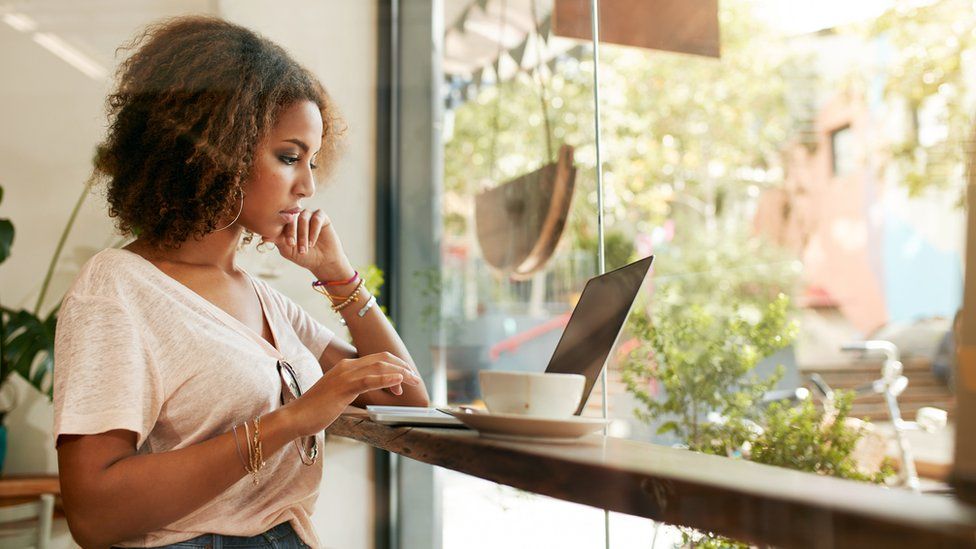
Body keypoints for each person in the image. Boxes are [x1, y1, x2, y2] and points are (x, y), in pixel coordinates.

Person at [52, 16, 429, 548]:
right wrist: (293, 420)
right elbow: (93, 516)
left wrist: (340, 278)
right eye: (289, 156)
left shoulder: (263, 299)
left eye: (313, 161)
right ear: (215, 149)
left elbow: (409, 403)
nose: (308, 184)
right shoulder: (117, 289)